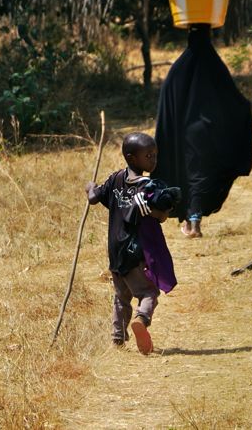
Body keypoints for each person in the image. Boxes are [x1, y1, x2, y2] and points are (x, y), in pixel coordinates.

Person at [152, 24, 252, 238]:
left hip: (185, 134)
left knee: (189, 175)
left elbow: (167, 104)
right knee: (202, 177)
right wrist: (248, 106)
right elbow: (231, 96)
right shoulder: (213, 64)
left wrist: (168, 136)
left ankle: (192, 224)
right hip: (209, 132)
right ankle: (194, 223)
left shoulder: (178, 68)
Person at [85, 132, 177, 355]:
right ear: (132, 158)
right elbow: (160, 215)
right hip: (136, 251)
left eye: (155, 155)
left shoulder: (115, 179)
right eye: (148, 156)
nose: (153, 160)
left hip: (115, 251)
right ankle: (141, 319)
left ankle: (117, 337)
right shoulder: (147, 188)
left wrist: (89, 187)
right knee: (148, 293)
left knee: (121, 296)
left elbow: (94, 197)